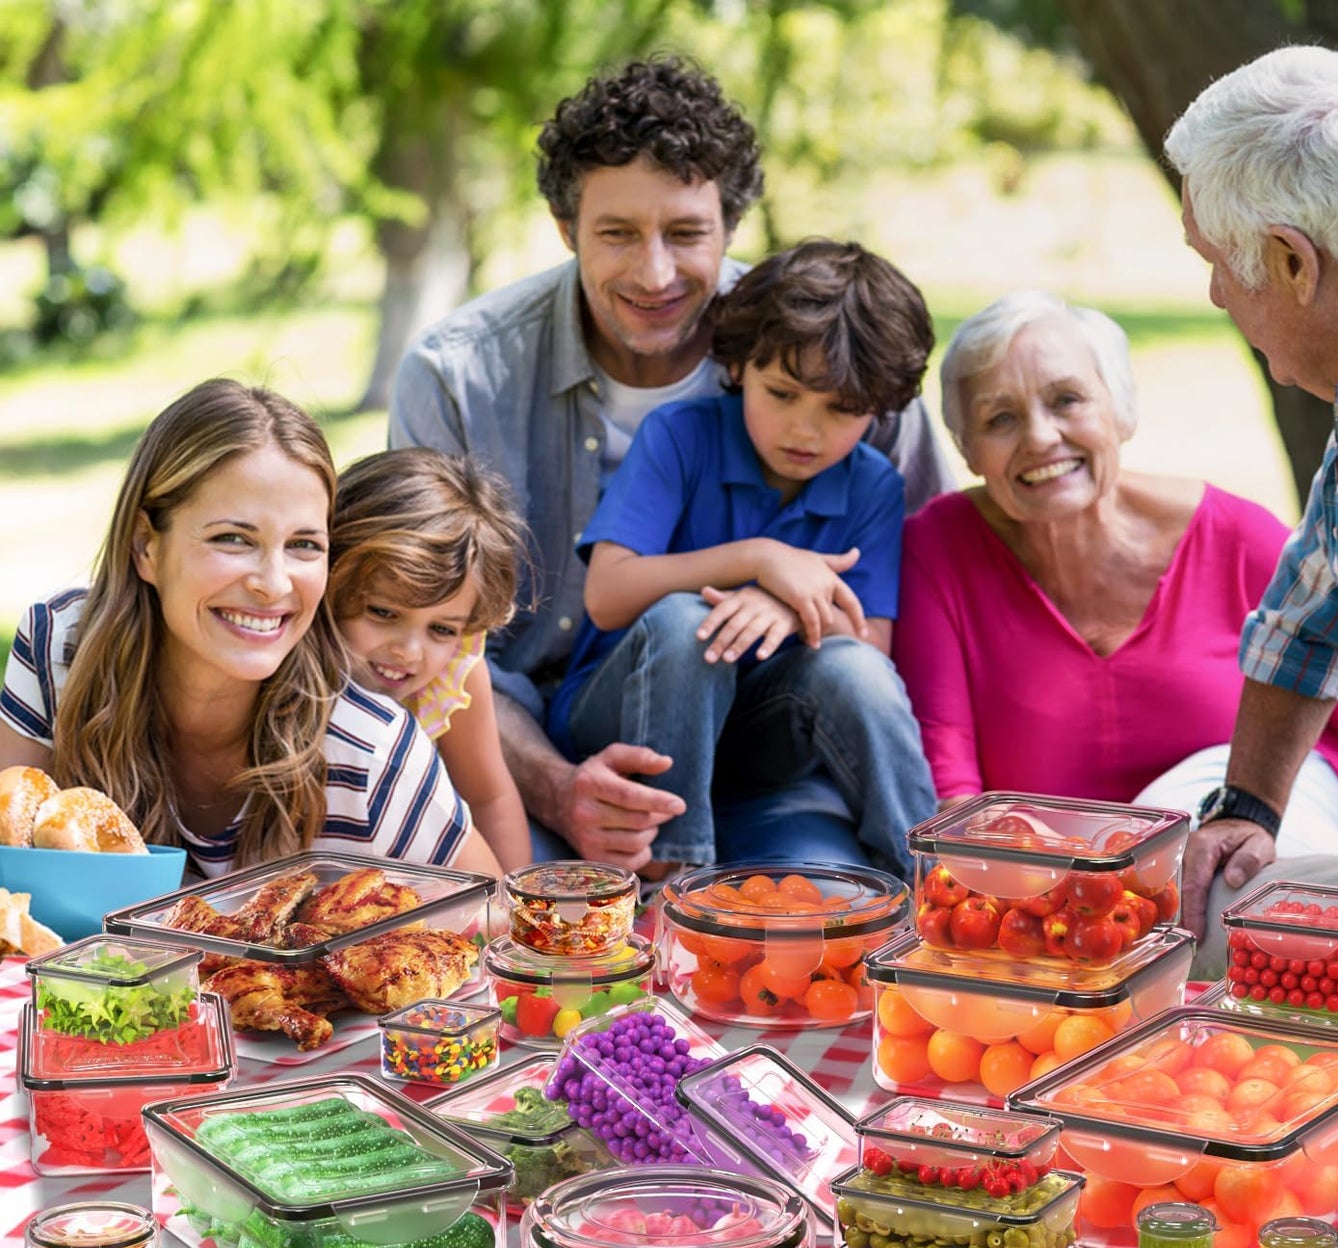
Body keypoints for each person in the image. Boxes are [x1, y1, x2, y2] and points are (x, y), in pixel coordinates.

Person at [389, 56, 954, 873]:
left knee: (823, 934)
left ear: (730, 227)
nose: (654, 275)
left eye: (686, 233)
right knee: (557, 934)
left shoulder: (841, 357)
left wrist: (783, 598)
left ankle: (935, 889)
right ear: (563, 229)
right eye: (616, 233)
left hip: (771, 751)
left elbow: (892, 641)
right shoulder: (457, 374)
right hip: (535, 762)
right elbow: (417, 642)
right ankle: (674, 880)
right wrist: (553, 788)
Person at [893, 290, 1338, 859]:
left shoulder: (1234, 536)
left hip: (1259, 826)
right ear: (966, 448)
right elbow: (948, 771)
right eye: (1000, 419)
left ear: (1121, 411)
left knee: (1219, 877)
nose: (1039, 437)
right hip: (1067, 887)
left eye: (1067, 400)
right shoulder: (939, 548)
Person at [1160, 46, 1338, 979]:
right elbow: (1312, 605)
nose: (1212, 293)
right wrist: (1244, 805)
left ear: (1290, 261)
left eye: (1215, 263)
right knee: (1166, 920)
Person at [0, 379, 502, 879]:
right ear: (145, 547)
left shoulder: (370, 750)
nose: (272, 583)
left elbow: (497, 922)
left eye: (304, 545)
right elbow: (8, 866)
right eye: (233, 538)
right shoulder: (61, 644)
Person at [548, 239, 938, 877]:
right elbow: (607, 593)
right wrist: (757, 559)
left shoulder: (872, 484)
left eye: (841, 410)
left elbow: (873, 647)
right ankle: (672, 875)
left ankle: (928, 877)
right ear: (738, 368)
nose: (804, 431)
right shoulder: (680, 436)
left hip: (758, 741)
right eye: (781, 394)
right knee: (683, 620)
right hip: (627, 721)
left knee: (852, 668)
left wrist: (786, 605)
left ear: (879, 409)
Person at [327, 447, 532, 873]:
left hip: (429, 863)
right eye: (383, 613)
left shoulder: (455, 674)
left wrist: (518, 917)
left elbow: (489, 796)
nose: (409, 651)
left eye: (442, 629)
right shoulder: (294, 664)